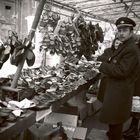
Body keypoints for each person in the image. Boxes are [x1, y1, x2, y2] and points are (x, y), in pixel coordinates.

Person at [95, 17, 140, 140]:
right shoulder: (124, 46)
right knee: (113, 120)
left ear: (131, 32)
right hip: (116, 89)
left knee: (116, 121)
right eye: (119, 30)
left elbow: (122, 71)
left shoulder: (131, 49)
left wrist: (102, 65)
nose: (121, 33)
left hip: (120, 91)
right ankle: (112, 135)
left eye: (125, 30)